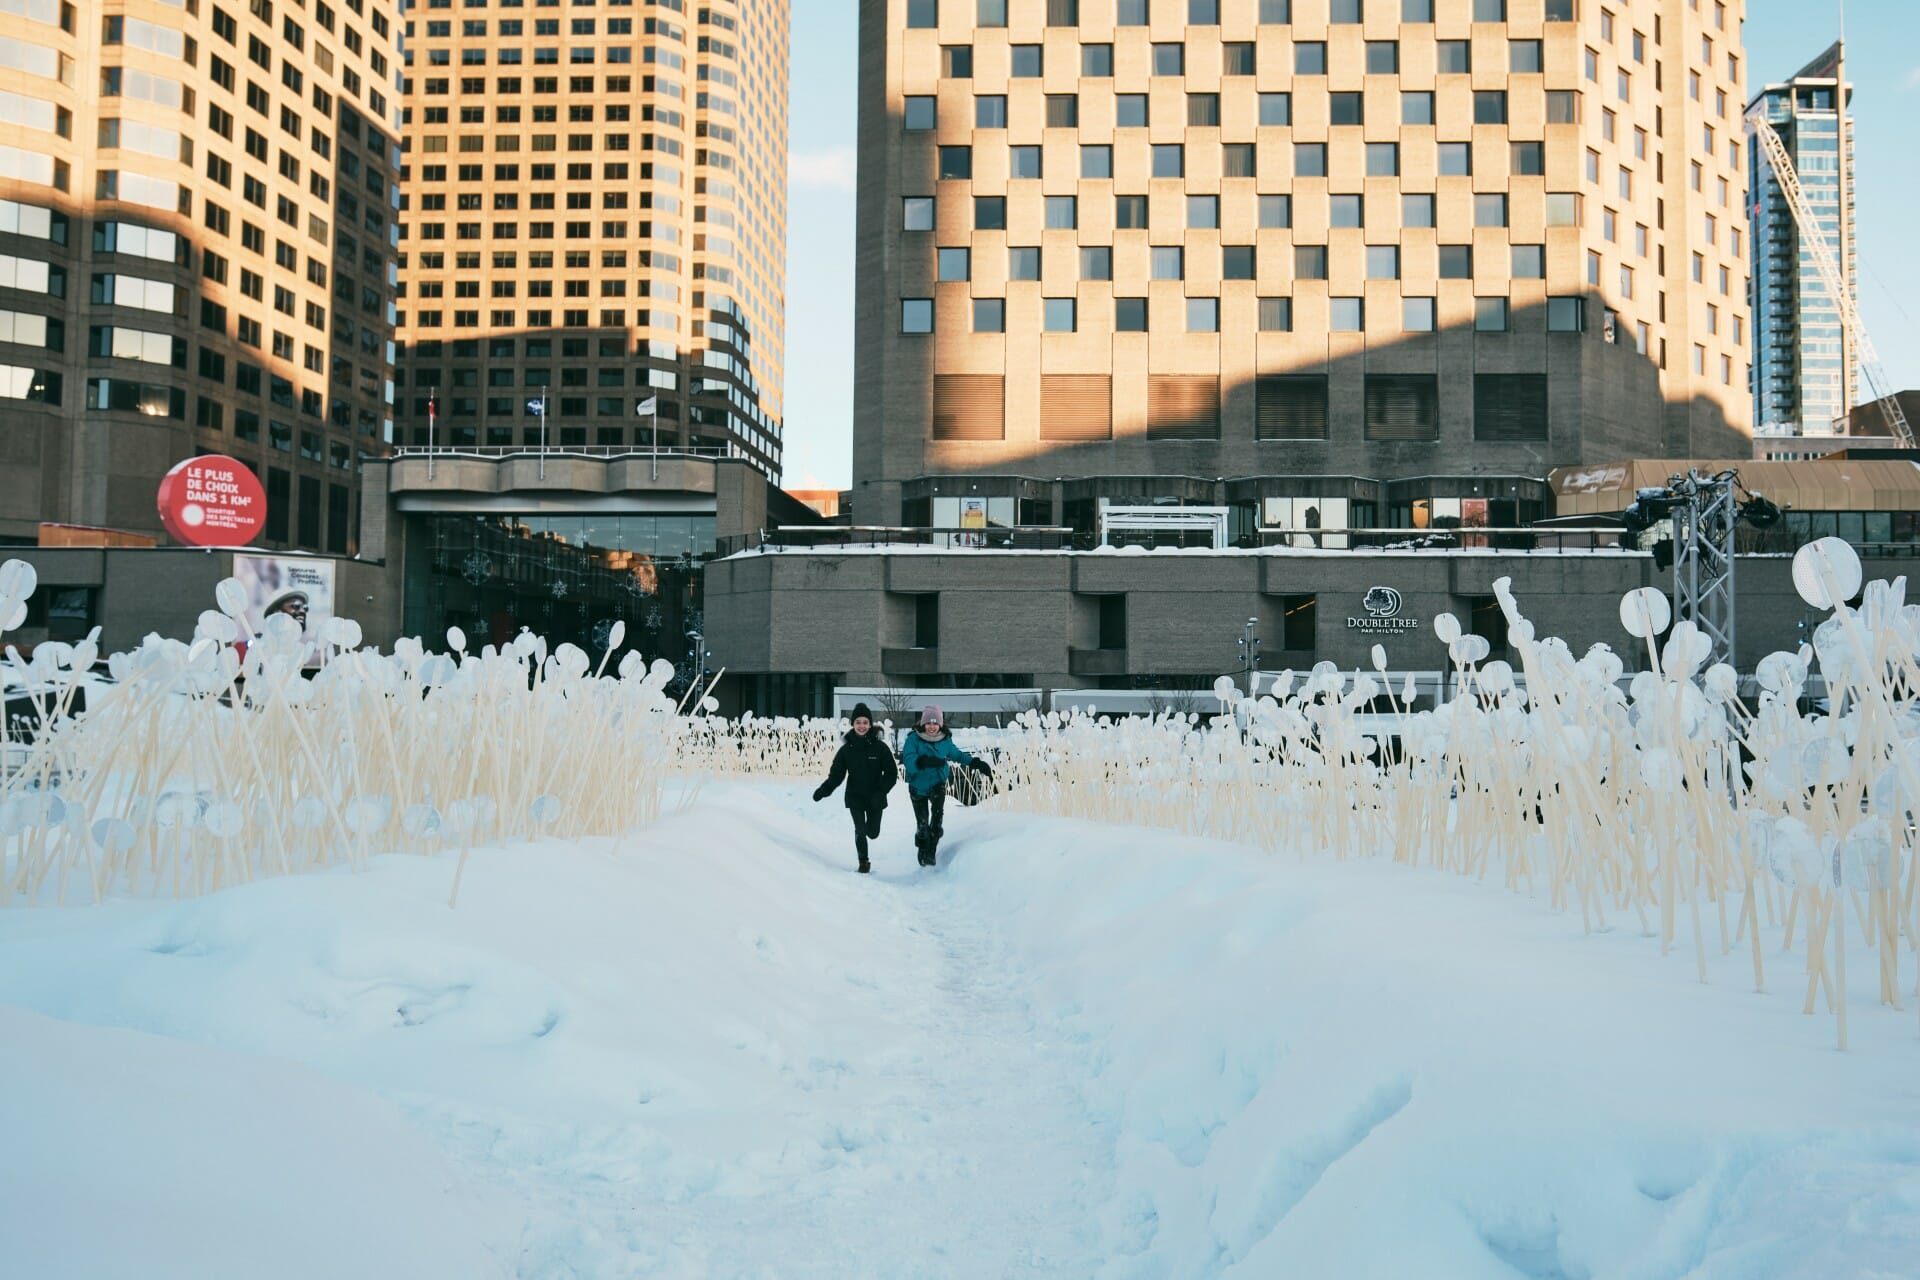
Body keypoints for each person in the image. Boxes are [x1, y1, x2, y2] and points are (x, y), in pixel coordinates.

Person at [811, 702, 898, 873]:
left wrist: (881, 792)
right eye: (858, 722)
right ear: (853, 724)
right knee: (860, 829)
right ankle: (863, 861)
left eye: (865, 722)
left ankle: (869, 836)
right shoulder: (846, 750)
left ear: (870, 724)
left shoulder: (880, 748)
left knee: (872, 833)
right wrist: (824, 790)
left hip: (875, 797)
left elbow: (891, 773)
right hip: (855, 796)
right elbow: (836, 775)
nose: (862, 726)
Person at [899, 703, 989, 867]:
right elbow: (908, 760)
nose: (931, 726)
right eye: (928, 723)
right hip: (917, 786)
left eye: (935, 723)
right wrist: (924, 761)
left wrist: (976, 763)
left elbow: (958, 756)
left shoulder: (945, 740)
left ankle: (931, 851)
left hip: (937, 784)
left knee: (937, 820)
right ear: (923, 723)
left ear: (940, 724)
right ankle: (922, 845)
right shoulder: (913, 739)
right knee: (922, 824)